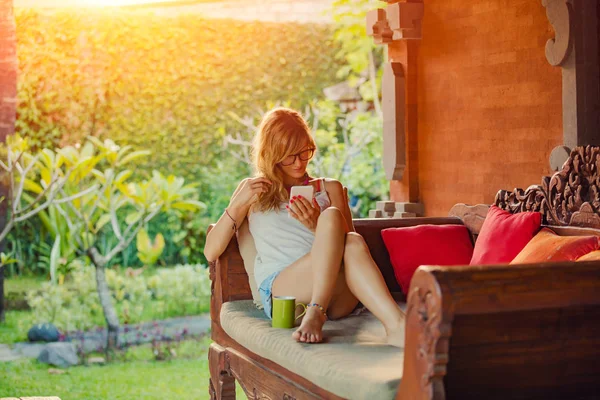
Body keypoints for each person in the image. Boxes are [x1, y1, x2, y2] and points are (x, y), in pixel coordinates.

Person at [204, 107, 404, 346]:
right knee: (332, 220)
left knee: (339, 228)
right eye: (289, 155)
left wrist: (315, 226)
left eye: (305, 152)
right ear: (272, 153)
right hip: (288, 296)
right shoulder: (254, 191)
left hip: (337, 295)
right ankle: (384, 323)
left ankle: (394, 325)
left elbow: (351, 248)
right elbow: (211, 251)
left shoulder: (329, 189)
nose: (299, 163)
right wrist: (236, 206)